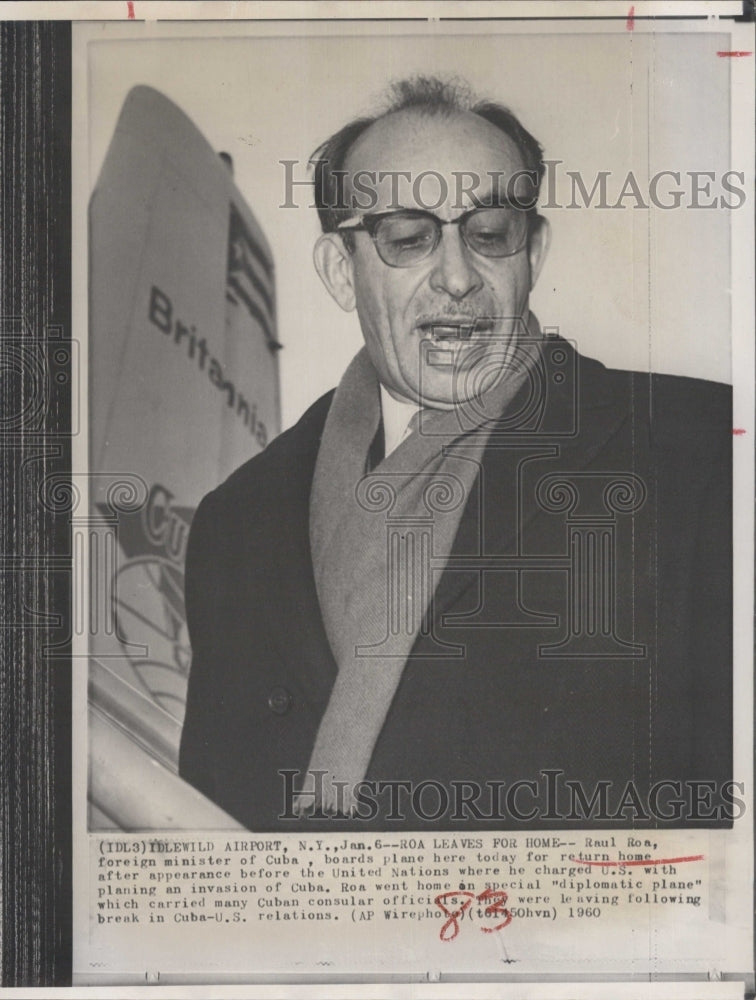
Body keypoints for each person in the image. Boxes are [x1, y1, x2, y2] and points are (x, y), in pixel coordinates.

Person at [179, 77, 732, 832]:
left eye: (490, 232)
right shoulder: (236, 521)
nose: (458, 276)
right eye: (407, 238)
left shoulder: (701, 450)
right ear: (342, 271)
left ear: (531, 249)